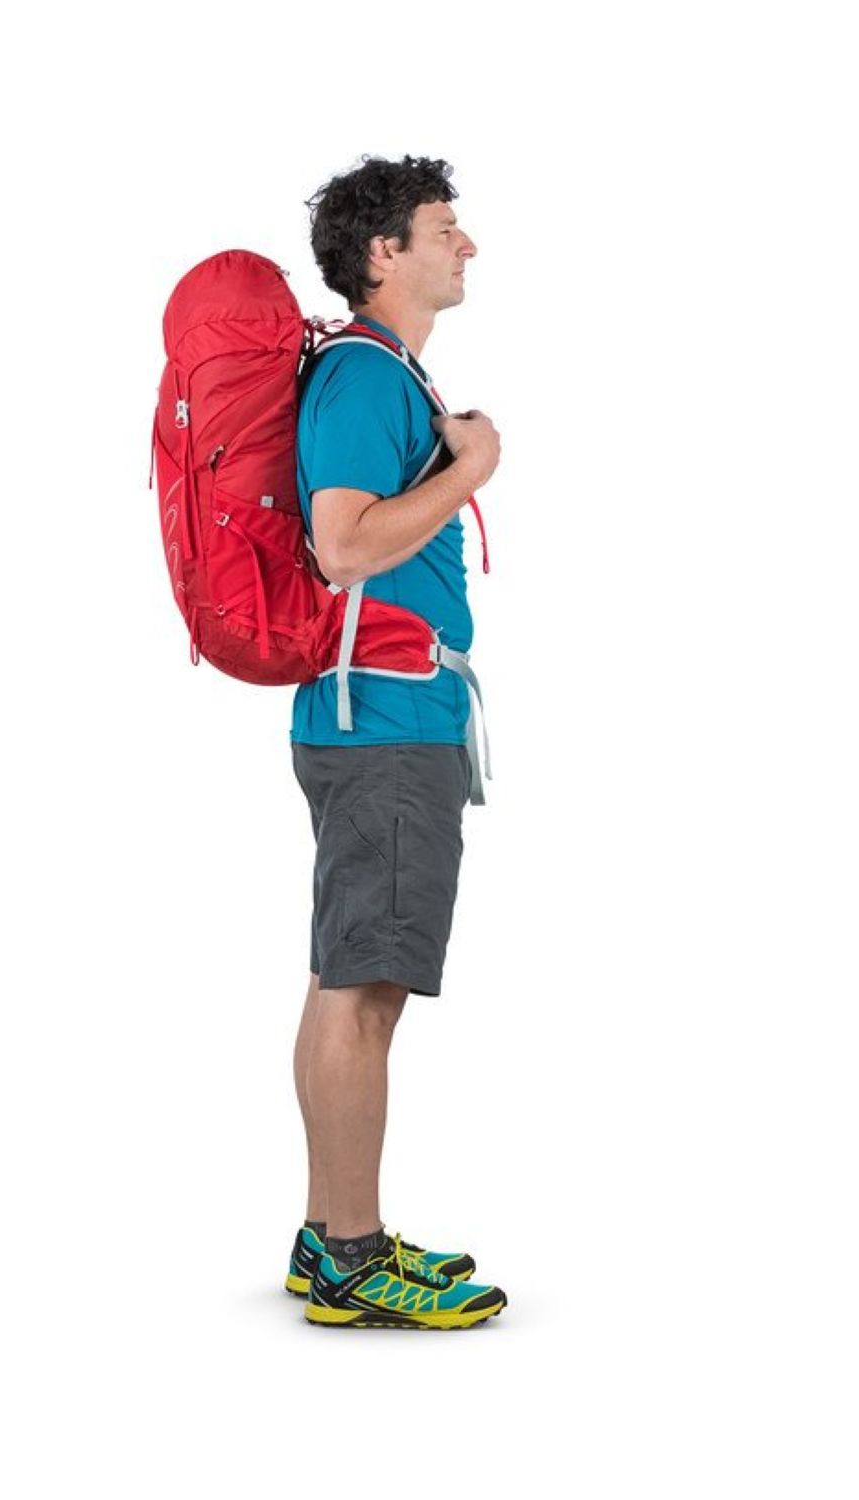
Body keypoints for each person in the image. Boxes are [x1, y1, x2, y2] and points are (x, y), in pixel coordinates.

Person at [283, 155, 508, 1329]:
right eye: (443, 227)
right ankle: (353, 1257)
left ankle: (331, 1235)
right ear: (385, 252)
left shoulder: (377, 374)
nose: (466, 246)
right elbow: (344, 547)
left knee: (347, 979)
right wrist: (474, 467)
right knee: (363, 990)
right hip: (383, 724)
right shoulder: (366, 376)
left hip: (375, 716)